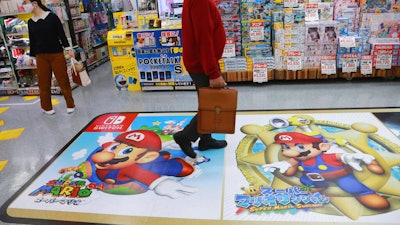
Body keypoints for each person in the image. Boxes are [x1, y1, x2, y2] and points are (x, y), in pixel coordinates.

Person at [173, 0, 228, 163]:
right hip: (203, 63)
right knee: (213, 104)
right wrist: (213, 73)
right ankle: (185, 136)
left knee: (208, 102)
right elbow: (204, 39)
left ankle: (206, 139)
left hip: (203, 61)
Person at [24, 0, 75, 115]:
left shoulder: (52, 17)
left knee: (63, 80)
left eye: (25, 3)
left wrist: (69, 49)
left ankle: (70, 104)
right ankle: (46, 107)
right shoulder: (30, 22)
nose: (24, 6)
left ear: (34, 3)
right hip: (40, 56)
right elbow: (33, 41)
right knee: (43, 83)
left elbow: (61, 34)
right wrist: (31, 57)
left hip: (56, 54)